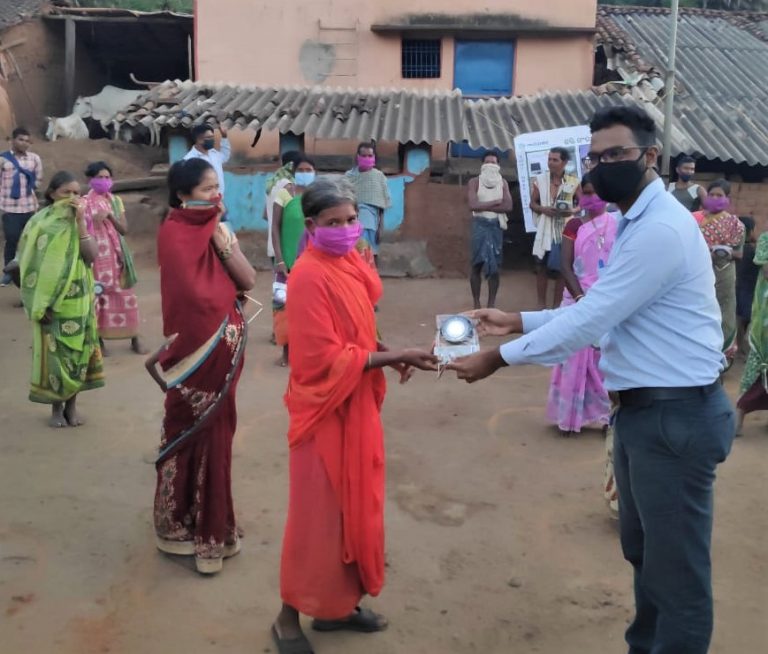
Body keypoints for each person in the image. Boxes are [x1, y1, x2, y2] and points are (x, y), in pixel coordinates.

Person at [449, 105, 734, 654]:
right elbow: (604, 305)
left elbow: (592, 319)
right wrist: (519, 319)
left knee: (676, 578)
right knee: (645, 556)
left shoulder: (661, 230)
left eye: (617, 155)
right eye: (596, 157)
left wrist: (499, 357)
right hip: (642, 414)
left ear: (651, 156)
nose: (603, 166)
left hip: (675, 418)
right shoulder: (634, 221)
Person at [272, 178, 437, 654]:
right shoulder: (307, 276)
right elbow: (323, 358)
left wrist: (384, 350)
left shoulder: (348, 264)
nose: (346, 230)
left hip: (356, 402)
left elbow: (357, 330)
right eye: (333, 223)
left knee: (355, 510)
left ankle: (337, 607)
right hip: (323, 411)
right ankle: (287, 618)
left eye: (351, 221)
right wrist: (395, 355)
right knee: (317, 520)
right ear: (311, 226)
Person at [146, 158, 256, 575]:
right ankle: (177, 528)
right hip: (194, 357)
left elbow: (246, 281)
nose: (217, 195)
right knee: (185, 434)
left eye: (218, 187)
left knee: (218, 438)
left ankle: (215, 527)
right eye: (208, 189)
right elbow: (194, 300)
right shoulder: (173, 234)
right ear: (182, 195)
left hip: (221, 351)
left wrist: (222, 239)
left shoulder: (218, 231)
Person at [17, 171, 103, 427]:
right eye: (67, 192)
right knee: (56, 356)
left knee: (79, 354)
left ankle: (72, 407)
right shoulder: (40, 224)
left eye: (77, 193)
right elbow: (29, 265)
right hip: (52, 303)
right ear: (52, 194)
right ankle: (56, 409)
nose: (73, 198)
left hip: (81, 300)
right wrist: (39, 304)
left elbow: (91, 256)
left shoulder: (81, 222)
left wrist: (81, 225)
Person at [547, 175, 616, 435]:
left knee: (604, 360)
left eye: (596, 193)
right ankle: (569, 416)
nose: (591, 198)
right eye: (586, 193)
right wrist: (580, 298)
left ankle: (604, 416)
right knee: (572, 357)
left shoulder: (617, 224)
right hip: (576, 300)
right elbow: (565, 266)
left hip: (607, 301)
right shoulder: (574, 225)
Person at [83, 161, 146, 356]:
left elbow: (124, 230)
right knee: (97, 297)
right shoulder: (83, 203)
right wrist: (92, 221)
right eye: (99, 177)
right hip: (96, 257)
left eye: (107, 177)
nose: (104, 181)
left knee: (126, 296)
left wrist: (110, 216)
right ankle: (99, 342)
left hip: (117, 257)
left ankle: (134, 338)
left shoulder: (115, 202)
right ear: (90, 180)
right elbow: (80, 230)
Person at [271, 154, 317, 367]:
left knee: (311, 310)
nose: (305, 174)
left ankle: (309, 353)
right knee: (283, 309)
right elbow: (275, 227)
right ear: (294, 172)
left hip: (312, 262)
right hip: (286, 261)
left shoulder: (318, 197)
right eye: (302, 170)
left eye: (309, 170)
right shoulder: (284, 194)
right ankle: (286, 352)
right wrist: (279, 259)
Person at [693, 180, 745, 365]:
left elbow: (740, 253)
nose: (715, 198)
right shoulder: (694, 220)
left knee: (724, 312)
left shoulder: (735, 224)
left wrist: (724, 250)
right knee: (697, 310)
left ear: (727, 198)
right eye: (712, 194)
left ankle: (722, 356)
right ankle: (697, 354)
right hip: (698, 273)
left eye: (719, 195)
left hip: (724, 274)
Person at [529, 147, 580, 309]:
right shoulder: (541, 180)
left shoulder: (573, 181)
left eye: (555, 160)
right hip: (545, 229)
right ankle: (541, 305)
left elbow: (582, 203)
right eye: (549, 159)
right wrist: (543, 209)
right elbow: (532, 203)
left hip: (565, 230)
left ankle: (557, 305)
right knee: (541, 266)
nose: (551, 163)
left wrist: (571, 211)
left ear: (564, 162)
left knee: (563, 268)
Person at [467, 151, 513, 309]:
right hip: (479, 225)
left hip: (495, 226)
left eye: (493, 162)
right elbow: (472, 205)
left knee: (495, 267)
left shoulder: (503, 183)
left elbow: (508, 206)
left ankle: (491, 304)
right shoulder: (474, 182)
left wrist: (485, 206)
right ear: (482, 165)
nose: (490, 165)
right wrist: (496, 202)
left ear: (498, 166)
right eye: (487, 162)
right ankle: (476, 303)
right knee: (476, 265)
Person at [1, 127, 43, 286]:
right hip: (10, 208)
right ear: (12, 140)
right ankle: (8, 273)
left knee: (32, 241)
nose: (24, 143)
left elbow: (38, 180)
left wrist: (29, 189)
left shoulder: (34, 159)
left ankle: (29, 272)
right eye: (21, 139)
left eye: (27, 141)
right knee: (12, 239)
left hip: (30, 208)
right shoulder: (3, 159)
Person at [736, 231, 768, 435]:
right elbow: (767, 271)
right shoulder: (766, 239)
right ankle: (737, 421)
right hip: (765, 320)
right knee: (756, 367)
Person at [345, 142, 391, 262]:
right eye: (364, 156)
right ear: (357, 157)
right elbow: (343, 201)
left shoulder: (379, 177)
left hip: (372, 225)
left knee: (371, 256)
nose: (367, 158)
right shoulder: (349, 177)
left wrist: (380, 229)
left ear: (374, 157)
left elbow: (382, 207)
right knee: (354, 256)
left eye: (370, 156)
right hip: (351, 223)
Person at [183, 123, 231, 209]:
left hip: (219, 200)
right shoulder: (189, 159)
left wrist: (224, 137)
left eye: (212, 137)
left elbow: (225, 156)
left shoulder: (214, 153)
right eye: (209, 138)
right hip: (202, 204)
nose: (212, 140)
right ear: (199, 140)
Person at [265, 150, 300, 263]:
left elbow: (265, 215)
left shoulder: (272, 183)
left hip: (273, 246)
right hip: (286, 247)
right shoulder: (289, 185)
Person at [735, 216, 758, 356]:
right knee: (749, 319)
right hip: (750, 290)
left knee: (738, 318)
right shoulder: (753, 250)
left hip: (737, 288)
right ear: (750, 232)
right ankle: (745, 348)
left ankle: (738, 348)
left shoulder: (734, 250)